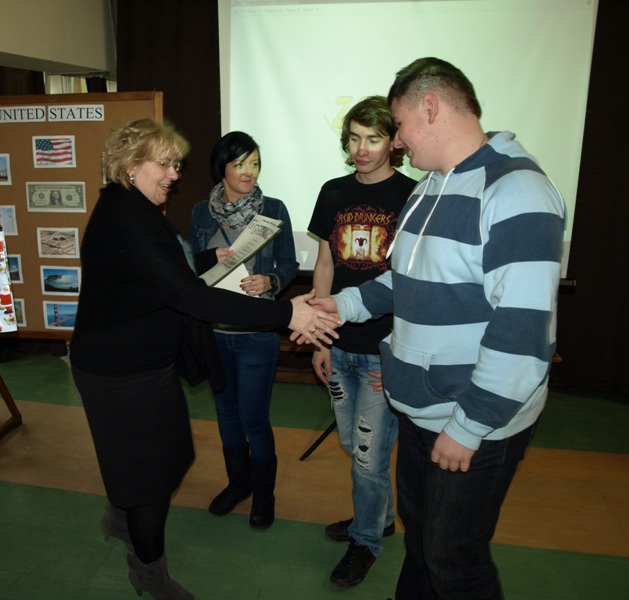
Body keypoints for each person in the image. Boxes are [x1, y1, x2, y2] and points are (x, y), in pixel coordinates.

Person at [303, 57, 565, 599]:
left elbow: (523, 333)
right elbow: (403, 280)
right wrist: (341, 306)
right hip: (422, 410)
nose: (396, 142)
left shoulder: (516, 190)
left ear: (429, 107)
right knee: (423, 542)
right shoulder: (430, 187)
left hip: (470, 420)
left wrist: (469, 427)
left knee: (454, 560)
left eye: (398, 126)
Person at [69, 117, 339, 600]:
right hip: (120, 372)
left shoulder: (131, 207)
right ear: (130, 166)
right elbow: (190, 296)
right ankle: (148, 572)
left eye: (176, 164)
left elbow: (168, 278)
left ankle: (120, 518)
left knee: (170, 458)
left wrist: (221, 270)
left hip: (144, 366)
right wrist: (286, 313)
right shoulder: (128, 218)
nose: (174, 174)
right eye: (165, 164)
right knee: (152, 479)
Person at [308, 96, 416, 587]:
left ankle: (365, 541)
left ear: (394, 142)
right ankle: (381, 517)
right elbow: (325, 265)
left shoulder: (413, 195)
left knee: (369, 458)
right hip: (339, 345)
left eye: (373, 138)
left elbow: (412, 279)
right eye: (353, 138)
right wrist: (319, 338)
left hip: (383, 352)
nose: (361, 149)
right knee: (355, 445)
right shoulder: (332, 191)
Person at [189, 132, 298, 530]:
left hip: (256, 333)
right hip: (215, 333)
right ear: (222, 167)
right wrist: (209, 257)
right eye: (240, 164)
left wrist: (271, 280)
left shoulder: (274, 209)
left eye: (255, 163)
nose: (249, 172)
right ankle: (238, 484)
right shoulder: (202, 212)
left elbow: (289, 263)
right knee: (226, 415)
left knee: (254, 418)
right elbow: (191, 265)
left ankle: (264, 494)